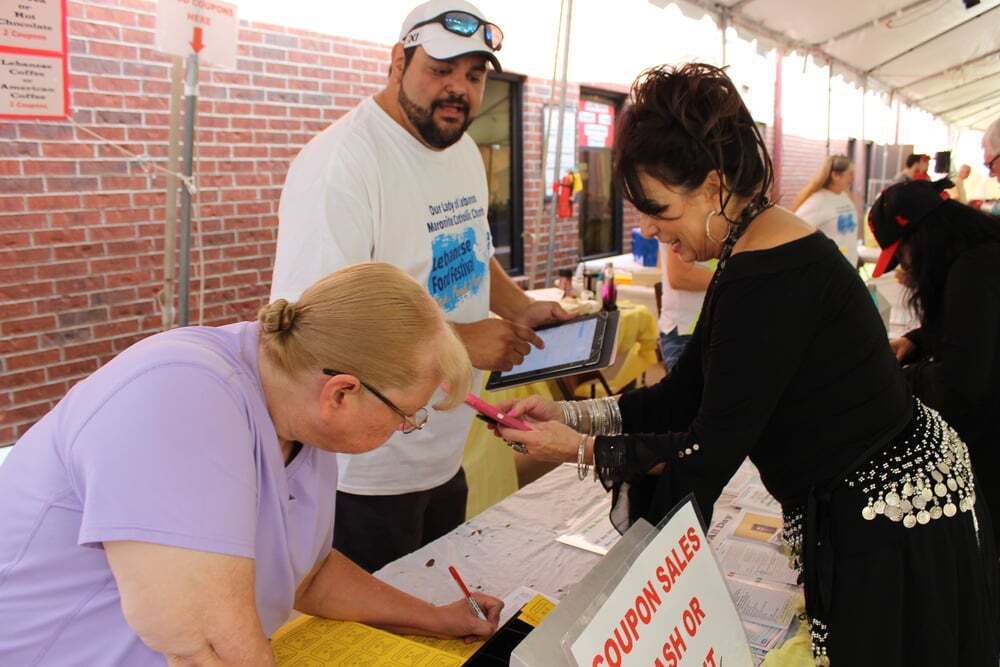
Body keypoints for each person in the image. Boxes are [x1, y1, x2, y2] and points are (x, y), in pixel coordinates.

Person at [494, 64, 998, 665]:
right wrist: (570, 415)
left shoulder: (767, 274)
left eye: (657, 209)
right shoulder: (751, 248)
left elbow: (706, 452)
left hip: (890, 520)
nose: (650, 230)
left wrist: (572, 450)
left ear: (712, 187)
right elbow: (683, 393)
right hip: (885, 491)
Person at [0, 263, 503, 666]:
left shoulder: (296, 413)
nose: (404, 429)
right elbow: (206, 644)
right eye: (405, 414)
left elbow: (308, 573)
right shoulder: (179, 391)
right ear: (342, 392)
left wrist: (437, 620)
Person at [270, 0, 571, 573]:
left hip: (442, 450)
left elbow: (471, 254)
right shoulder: (341, 165)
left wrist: (524, 306)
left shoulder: (458, 148)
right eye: (440, 69)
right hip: (366, 470)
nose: (458, 89)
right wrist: (456, 344)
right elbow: (315, 331)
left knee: (435, 622)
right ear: (397, 61)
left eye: (475, 75)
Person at [874, 180, 1000, 546]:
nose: (906, 267)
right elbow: (963, 328)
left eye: (903, 255)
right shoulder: (977, 255)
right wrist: (913, 342)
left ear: (922, 236)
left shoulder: (975, 270)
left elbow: (960, 381)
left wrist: (896, 381)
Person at [791, 154, 859, 266]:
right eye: (850, 174)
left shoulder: (844, 196)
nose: (853, 178)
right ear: (835, 175)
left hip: (848, 268)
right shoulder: (818, 201)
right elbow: (795, 231)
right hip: (829, 270)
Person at [656, 240, 713, 371]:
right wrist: (735, 277)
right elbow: (681, 276)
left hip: (707, 324)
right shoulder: (677, 220)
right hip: (686, 330)